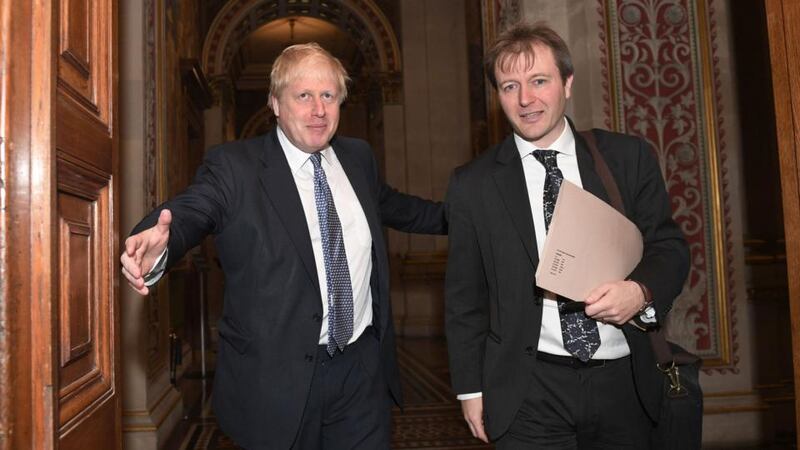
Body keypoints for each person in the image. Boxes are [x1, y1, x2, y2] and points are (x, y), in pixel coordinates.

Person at [120, 43, 446, 449]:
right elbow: (192, 210)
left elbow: (399, 207)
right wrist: (160, 242)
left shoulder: (357, 157)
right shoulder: (234, 167)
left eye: (328, 96)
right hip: (276, 383)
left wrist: (468, 216)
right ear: (275, 103)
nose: (318, 110)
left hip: (361, 373)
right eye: (303, 95)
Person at [444, 22, 689, 448]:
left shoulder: (627, 159)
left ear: (567, 83)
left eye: (539, 81)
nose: (526, 99)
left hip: (625, 382)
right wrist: (470, 389)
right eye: (509, 86)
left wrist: (640, 292)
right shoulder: (473, 185)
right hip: (528, 391)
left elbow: (669, 248)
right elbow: (465, 298)